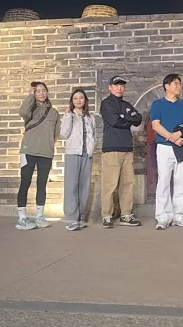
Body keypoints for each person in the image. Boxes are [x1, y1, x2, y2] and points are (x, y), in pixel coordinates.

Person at [150, 73, 183, 230]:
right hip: (164, 147)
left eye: (180, 84)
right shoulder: (157, 104)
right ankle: (163, 217)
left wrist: (179, 134)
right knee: (163, 181)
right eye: (176, 83)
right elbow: (155, 125)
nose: (179, 86)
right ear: (166, 86)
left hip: (182, 147)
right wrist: (171, 137)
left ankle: (178, 216)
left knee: (182, 181)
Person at [100, 76, 142, 229]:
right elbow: (115, 121)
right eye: (116, 85)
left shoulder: (126, 104)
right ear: (110, 87)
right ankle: (107, 215)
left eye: (122, 85)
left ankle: (126, 214)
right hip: (111, 148)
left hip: (127, 149)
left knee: (128, 184)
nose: (119, 88)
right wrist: (127, 118)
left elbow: (138, 119)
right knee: (110, 184)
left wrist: (125, 117)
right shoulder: (106, 104)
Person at [16, 82, 60, 230]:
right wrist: (29, 96)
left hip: (46, 152)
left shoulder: (54, 112)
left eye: (44, 90)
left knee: (42, 184)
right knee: (25, 183)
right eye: (38, 91)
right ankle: (22, 218)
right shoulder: (30, 109)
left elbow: (56, 133)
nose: (41, 93)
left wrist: (48, 144)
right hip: (29, 150)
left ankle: (40, 216)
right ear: (34, 93)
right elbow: (23, 112)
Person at [60, 88, 96, 231]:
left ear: (85, 100)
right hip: (73, 154)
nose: (78, 100)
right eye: (75, 98)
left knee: (84, 187)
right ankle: (71, 219)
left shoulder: (90, 118)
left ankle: (81, 217)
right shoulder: (69, 115)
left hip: (87, 154)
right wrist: (68, 116)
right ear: (72, 101)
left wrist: (92, 149)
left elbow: (93, 135)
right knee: (71, 187)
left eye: (81, 97)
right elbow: (64, 133)